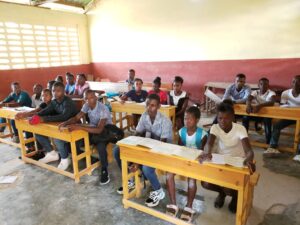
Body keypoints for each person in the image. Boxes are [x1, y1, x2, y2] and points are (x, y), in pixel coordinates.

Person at [113, 94, 173, 207]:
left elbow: (161, 146)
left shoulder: (165, 121)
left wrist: (138, 161)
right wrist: (130, 148)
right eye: (147, 105)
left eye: (153, 106)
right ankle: (131, 179)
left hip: (162, 151)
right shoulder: (144, 116)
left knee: (146, 167)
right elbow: (137, 135)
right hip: (147, 148)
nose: (149, 108)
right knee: (118, 151)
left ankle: (158, 191)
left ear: (159, 106)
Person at [198, 102, 255, 213]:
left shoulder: (240, 129)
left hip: (237, 162)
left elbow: (249, 151)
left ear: (233, 117)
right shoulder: (215, 127)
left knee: (230, 186)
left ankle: (235, 197)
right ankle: (222, 193)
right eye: (220, 118)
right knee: (205, 183)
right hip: (221, 161)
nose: (222, 121)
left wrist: (248, 159)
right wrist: (207, 152)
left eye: (226, 118)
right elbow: (209, 143)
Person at [58, 90, 112, 185]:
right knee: (74, 143)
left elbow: (99, 129)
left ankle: (104, 169)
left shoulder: (103, 108)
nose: (92, 99)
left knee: (100, 146)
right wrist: (65, 123)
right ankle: (92, 160)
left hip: (105, 131)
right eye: (88, 98)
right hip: (92, 129)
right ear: (85, 100)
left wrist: (79, 127)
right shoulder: (86, 106)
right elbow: (76, 118)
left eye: (93, 97)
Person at [166, 106, 207, 222]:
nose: (187, 121)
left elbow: (202, 153)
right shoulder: (181, 132)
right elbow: (180, 148)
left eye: (190, 119)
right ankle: (173, 204)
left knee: (192, 180)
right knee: (169, 175)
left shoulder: (202, 135)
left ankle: (189, 207)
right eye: (185, 118)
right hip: (183, 160)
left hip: (195, 163)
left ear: (197, 120)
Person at [29, 81, 78, 170]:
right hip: (61, 125)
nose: (55, 93)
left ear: (63, 91)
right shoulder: (54, 102)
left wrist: (44, 119)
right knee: (38, 131)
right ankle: (51, 153)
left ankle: (65, 158)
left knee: (56, 135)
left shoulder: (68, 102)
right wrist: (33, 116)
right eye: (53, 91)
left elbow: (64, 116)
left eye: (58, 91)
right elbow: (44, 111)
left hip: (74, 126)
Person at [265, 75, 300, 160]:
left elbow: (287, 106)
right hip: (289, 117)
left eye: (298, 82)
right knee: (277, 125)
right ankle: (273, 147)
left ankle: (299, 153)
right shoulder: (285, 93)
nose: (295, 83)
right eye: (294, 81)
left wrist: (290, 107)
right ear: (291, 83)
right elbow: (283, 107)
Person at [15, 89, 53, 156]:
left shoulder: (52, 104)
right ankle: (36, 149)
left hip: (52, 124)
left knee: (37, 131)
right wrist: (24, 114)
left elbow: (39, 113)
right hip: (44, 123)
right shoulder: (43, 104)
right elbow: (36, 110)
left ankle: (46, 150)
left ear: (51, 96)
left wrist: (24, 114)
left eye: (46, 95)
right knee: (32, 128)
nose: (44, 97)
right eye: (43, 96)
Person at [243, 78, 275, 144]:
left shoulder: (271, 93)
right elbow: (249, 98)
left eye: (265, 84)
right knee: (245, 117)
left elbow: (272, 102)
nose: (263, 86)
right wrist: (248, 105)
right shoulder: (255, 92)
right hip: (258, 114)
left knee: (267, 121)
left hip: (267, 114)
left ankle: (268, 143)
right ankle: (244, 138)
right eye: (261, 84)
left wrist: (259, 106)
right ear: (258, 85)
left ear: (268, 85)